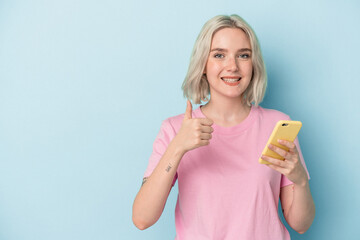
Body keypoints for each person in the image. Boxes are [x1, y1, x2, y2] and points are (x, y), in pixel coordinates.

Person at [132, 14, 315, 239]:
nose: (232, 66)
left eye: (243, 55)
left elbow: (301, 224)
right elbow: (142, 218)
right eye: (219, 55)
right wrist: (178, 147)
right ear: (203, 65)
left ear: (253, 64)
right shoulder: (175, 128)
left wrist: (300, 179)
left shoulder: (277, 125)